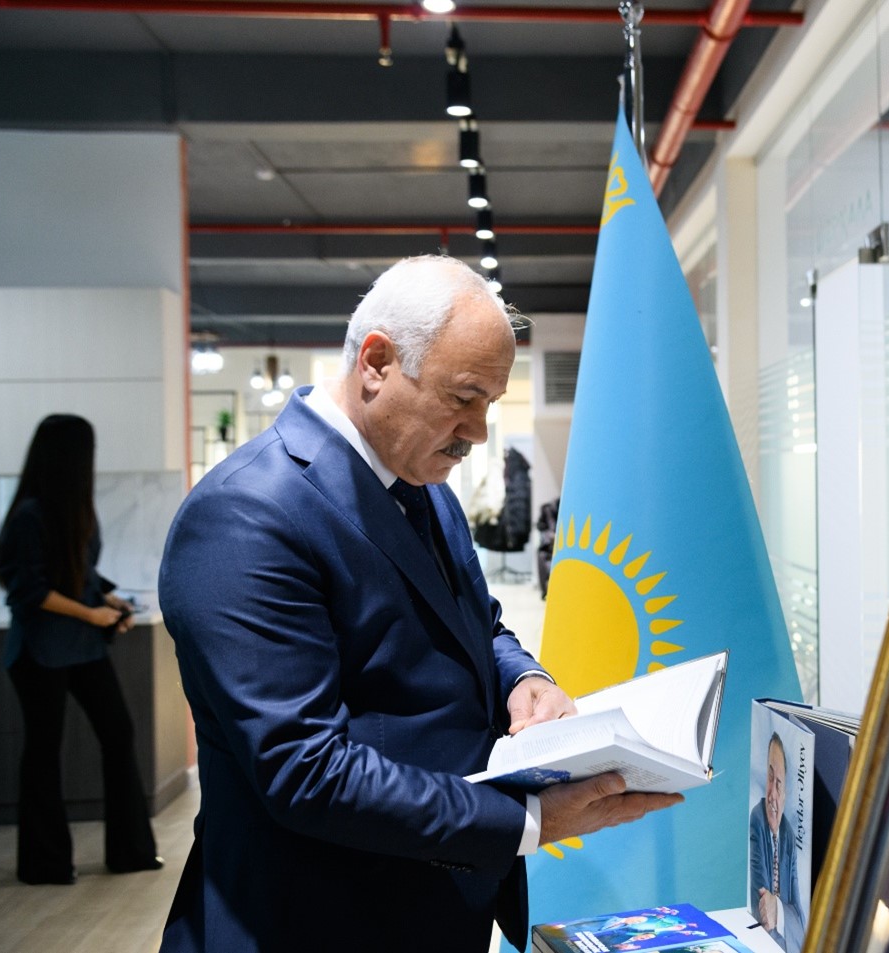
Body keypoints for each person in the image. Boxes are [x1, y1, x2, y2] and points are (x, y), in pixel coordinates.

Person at [157, 256, 681, 952]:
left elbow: (476, 623)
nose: (478, 431)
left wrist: (523, 678)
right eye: (463, 397)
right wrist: (527, 821)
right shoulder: (245, 515)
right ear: (376, 362)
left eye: (490, 403)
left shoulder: (421, 484)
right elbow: (304, 769)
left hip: (427, 905)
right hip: (311, 920)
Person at [0, 414, 161, 885]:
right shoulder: (30, 515)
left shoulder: (74, 509)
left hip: (82, 648)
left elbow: (79, 573)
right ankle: (45, 864)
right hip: (39, 651)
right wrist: (92, 615)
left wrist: (109, 601)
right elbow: (30, 591)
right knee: (44, 751)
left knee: (118, 734)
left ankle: (131, 852)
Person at [749, 732, 802, 951]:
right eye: (770, 778)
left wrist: (778, 910)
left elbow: (800, 921)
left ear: (785, 795)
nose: (771, 793)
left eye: (778, 784)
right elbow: (762, 913)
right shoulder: (757, 819)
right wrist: (784, 917)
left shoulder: (788, 835)